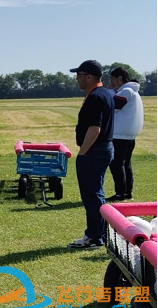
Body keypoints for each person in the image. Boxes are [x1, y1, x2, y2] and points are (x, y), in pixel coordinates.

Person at [67, 60, 115, 249]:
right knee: (96, 194)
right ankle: (100, 233)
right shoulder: (104, 93)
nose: (77, 79)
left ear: (88, 77)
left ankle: (94, 237)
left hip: (94, 151)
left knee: (92, 195)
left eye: (78, 75)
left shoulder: (96, 96)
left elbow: (94, 128)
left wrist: (83, 153)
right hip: (103, 149)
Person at [105, 67, 144, 202]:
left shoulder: (126, 91)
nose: (111, 82)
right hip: (129, 136)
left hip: (120, 136)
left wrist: (109, 91)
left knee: (116, 164)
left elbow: (113, 105)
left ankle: (120, 193)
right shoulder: (134, 91)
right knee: (125, 164)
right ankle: (127, 192)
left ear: (120, 78)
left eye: (113, 79)